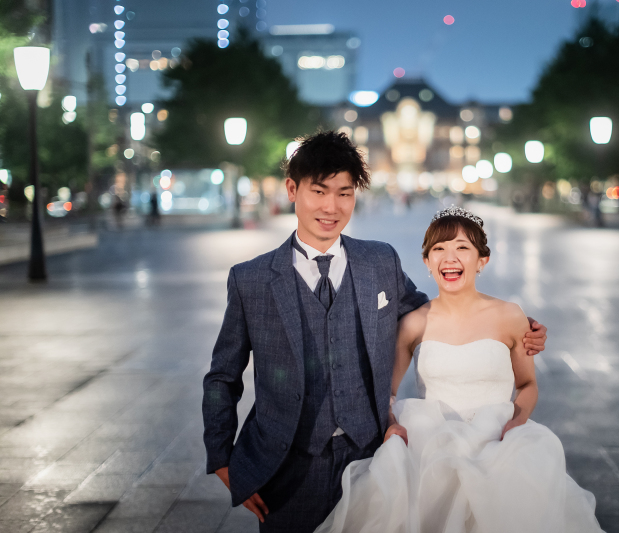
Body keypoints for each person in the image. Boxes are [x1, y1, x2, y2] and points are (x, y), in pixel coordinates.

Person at [202, 131, 548, 533]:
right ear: (292, 190)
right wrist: (222, 459)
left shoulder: (379, 261)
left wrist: (513, 326)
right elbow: (223, 376)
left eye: (344, 193)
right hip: (287, 468)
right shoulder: (252, 279)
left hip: (373, 456)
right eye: (319, 191)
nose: (331, 207)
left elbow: (432, 311)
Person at [315, 206, 602, 533]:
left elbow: (527, 384)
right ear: (427, 262)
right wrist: (392, 424)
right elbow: (387, 391)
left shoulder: (510, 316)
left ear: (482, 260)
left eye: (462, 247)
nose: (449, 258)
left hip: (497, 444)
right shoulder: (414, 323)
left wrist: (517, 423)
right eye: (438, 249)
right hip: (429, 450)